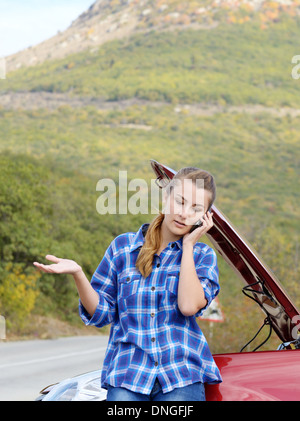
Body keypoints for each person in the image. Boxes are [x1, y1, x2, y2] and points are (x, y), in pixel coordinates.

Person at [34, 167, 222, 401]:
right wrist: (78, 274)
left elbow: (188, 306)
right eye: (180, 202)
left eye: (195, 209)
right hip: (128, 374)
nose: (184, 214)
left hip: (181, 375)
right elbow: (102, 313)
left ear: (205, 217)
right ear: (165, 198)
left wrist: (189, 246)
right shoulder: (122, 247)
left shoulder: (202, 255)